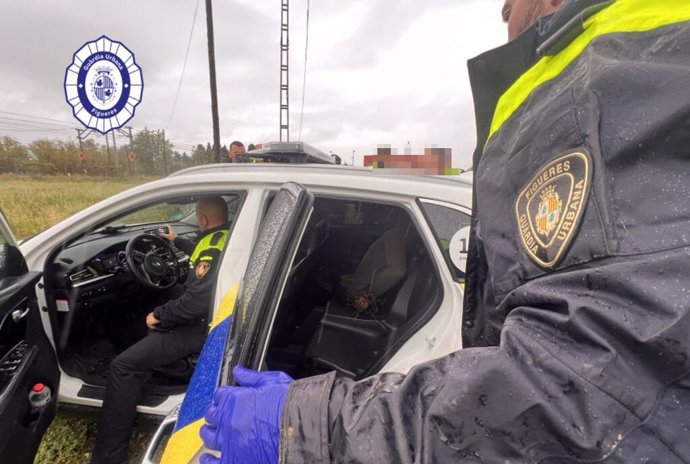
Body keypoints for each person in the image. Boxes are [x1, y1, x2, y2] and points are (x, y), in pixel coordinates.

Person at [200, 0, 690, 462]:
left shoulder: (607, 84)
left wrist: (305, 428)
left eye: (510, 2)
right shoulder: (644, 65)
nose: (504, 13)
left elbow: (581, 391)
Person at [91, 196, 229, 464]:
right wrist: (176, 241)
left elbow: (196, 303)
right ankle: (161, 361)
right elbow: (202, 255)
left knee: (123, 365)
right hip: (209, 315)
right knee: (152, 308)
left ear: (202, 220)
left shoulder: (212, 247)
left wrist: (159, 316)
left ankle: (108, 457)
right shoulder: (221, 236)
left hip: (201, 326)